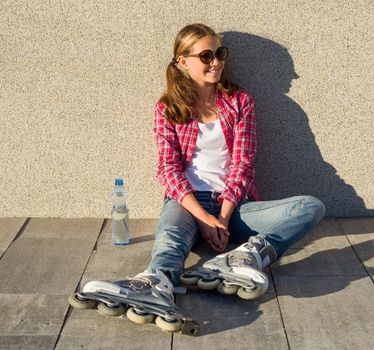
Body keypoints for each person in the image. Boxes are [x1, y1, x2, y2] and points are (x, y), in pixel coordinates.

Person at [68, 23, 325, 335]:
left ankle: (246, 255)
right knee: (171, 238)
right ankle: (155, 283)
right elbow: (168, 170)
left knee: (310, 207)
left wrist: (224, 218)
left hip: (236, 204)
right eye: (206, 55)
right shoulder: (168, 108)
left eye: (219, 53)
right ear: (182, 61)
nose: (216, 61)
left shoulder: (240, 101)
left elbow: (244, 164)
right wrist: (205, 219)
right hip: (187, 202)